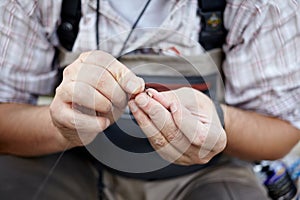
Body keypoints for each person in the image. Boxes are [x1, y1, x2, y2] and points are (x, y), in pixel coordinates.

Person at [0, 0, 299, 199]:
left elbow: (282, 131)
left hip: (207, 174)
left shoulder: (262, 5)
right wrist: (61, 125)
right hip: (74, 164)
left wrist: (219, 120)